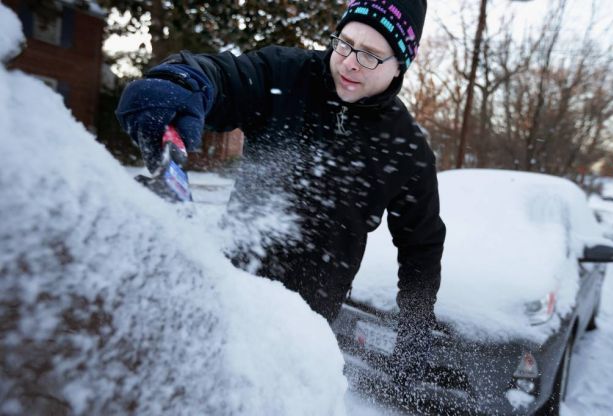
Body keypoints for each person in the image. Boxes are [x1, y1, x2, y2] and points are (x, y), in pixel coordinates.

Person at [116, 0, 445, 383]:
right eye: (345, 43)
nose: (350, 62)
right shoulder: (288, 74)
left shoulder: (405, 146)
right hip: (229, 298)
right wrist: (183, 80)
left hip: (305, 331)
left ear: (400, 65)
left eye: (371, 55)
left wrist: (416, 330)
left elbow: (421, 244)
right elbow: (226, 76)